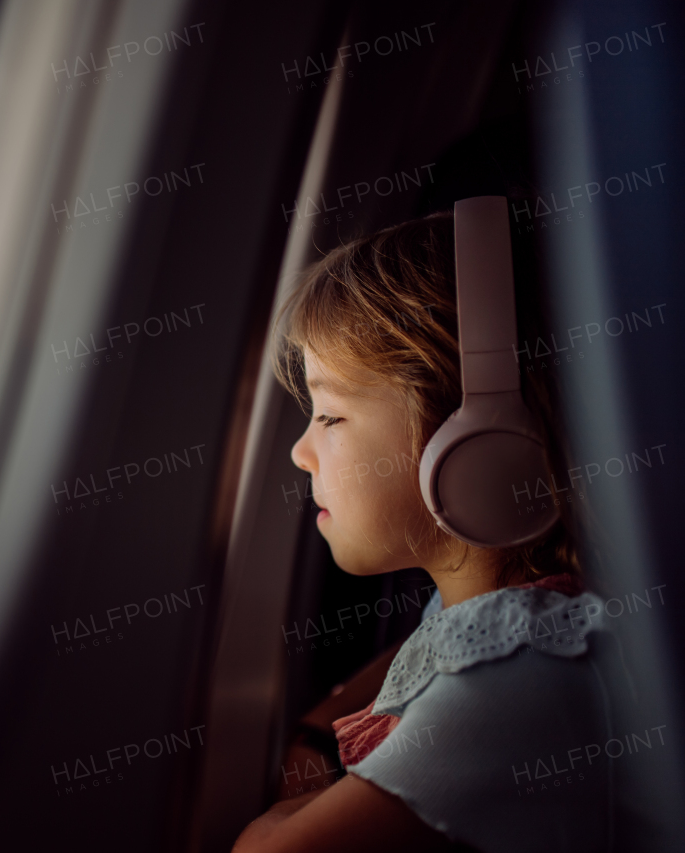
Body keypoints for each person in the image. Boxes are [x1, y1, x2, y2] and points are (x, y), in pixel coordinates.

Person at [232, 212, 628, 853]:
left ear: (479, 443)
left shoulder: (518, 683)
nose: (300, 453)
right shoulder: (499, 617)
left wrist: (277, 816)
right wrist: (312, 732)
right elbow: (435, 641)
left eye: (331, 416)